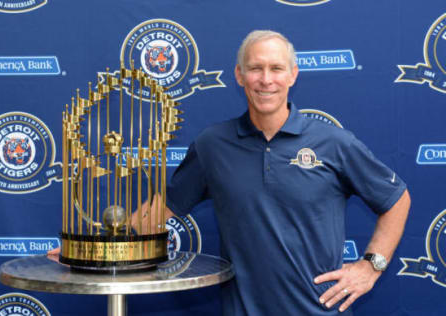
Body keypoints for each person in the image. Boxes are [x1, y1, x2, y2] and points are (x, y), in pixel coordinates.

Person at [137, 30, 411, 315]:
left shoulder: (334, 143)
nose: (266, 80)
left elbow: (397, 199)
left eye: (276, 68)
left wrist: (370, 267)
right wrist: (113, 230)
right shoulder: (212, 146)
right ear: (240, 75)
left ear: (293, 75)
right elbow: (157, 214)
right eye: (255, 68)